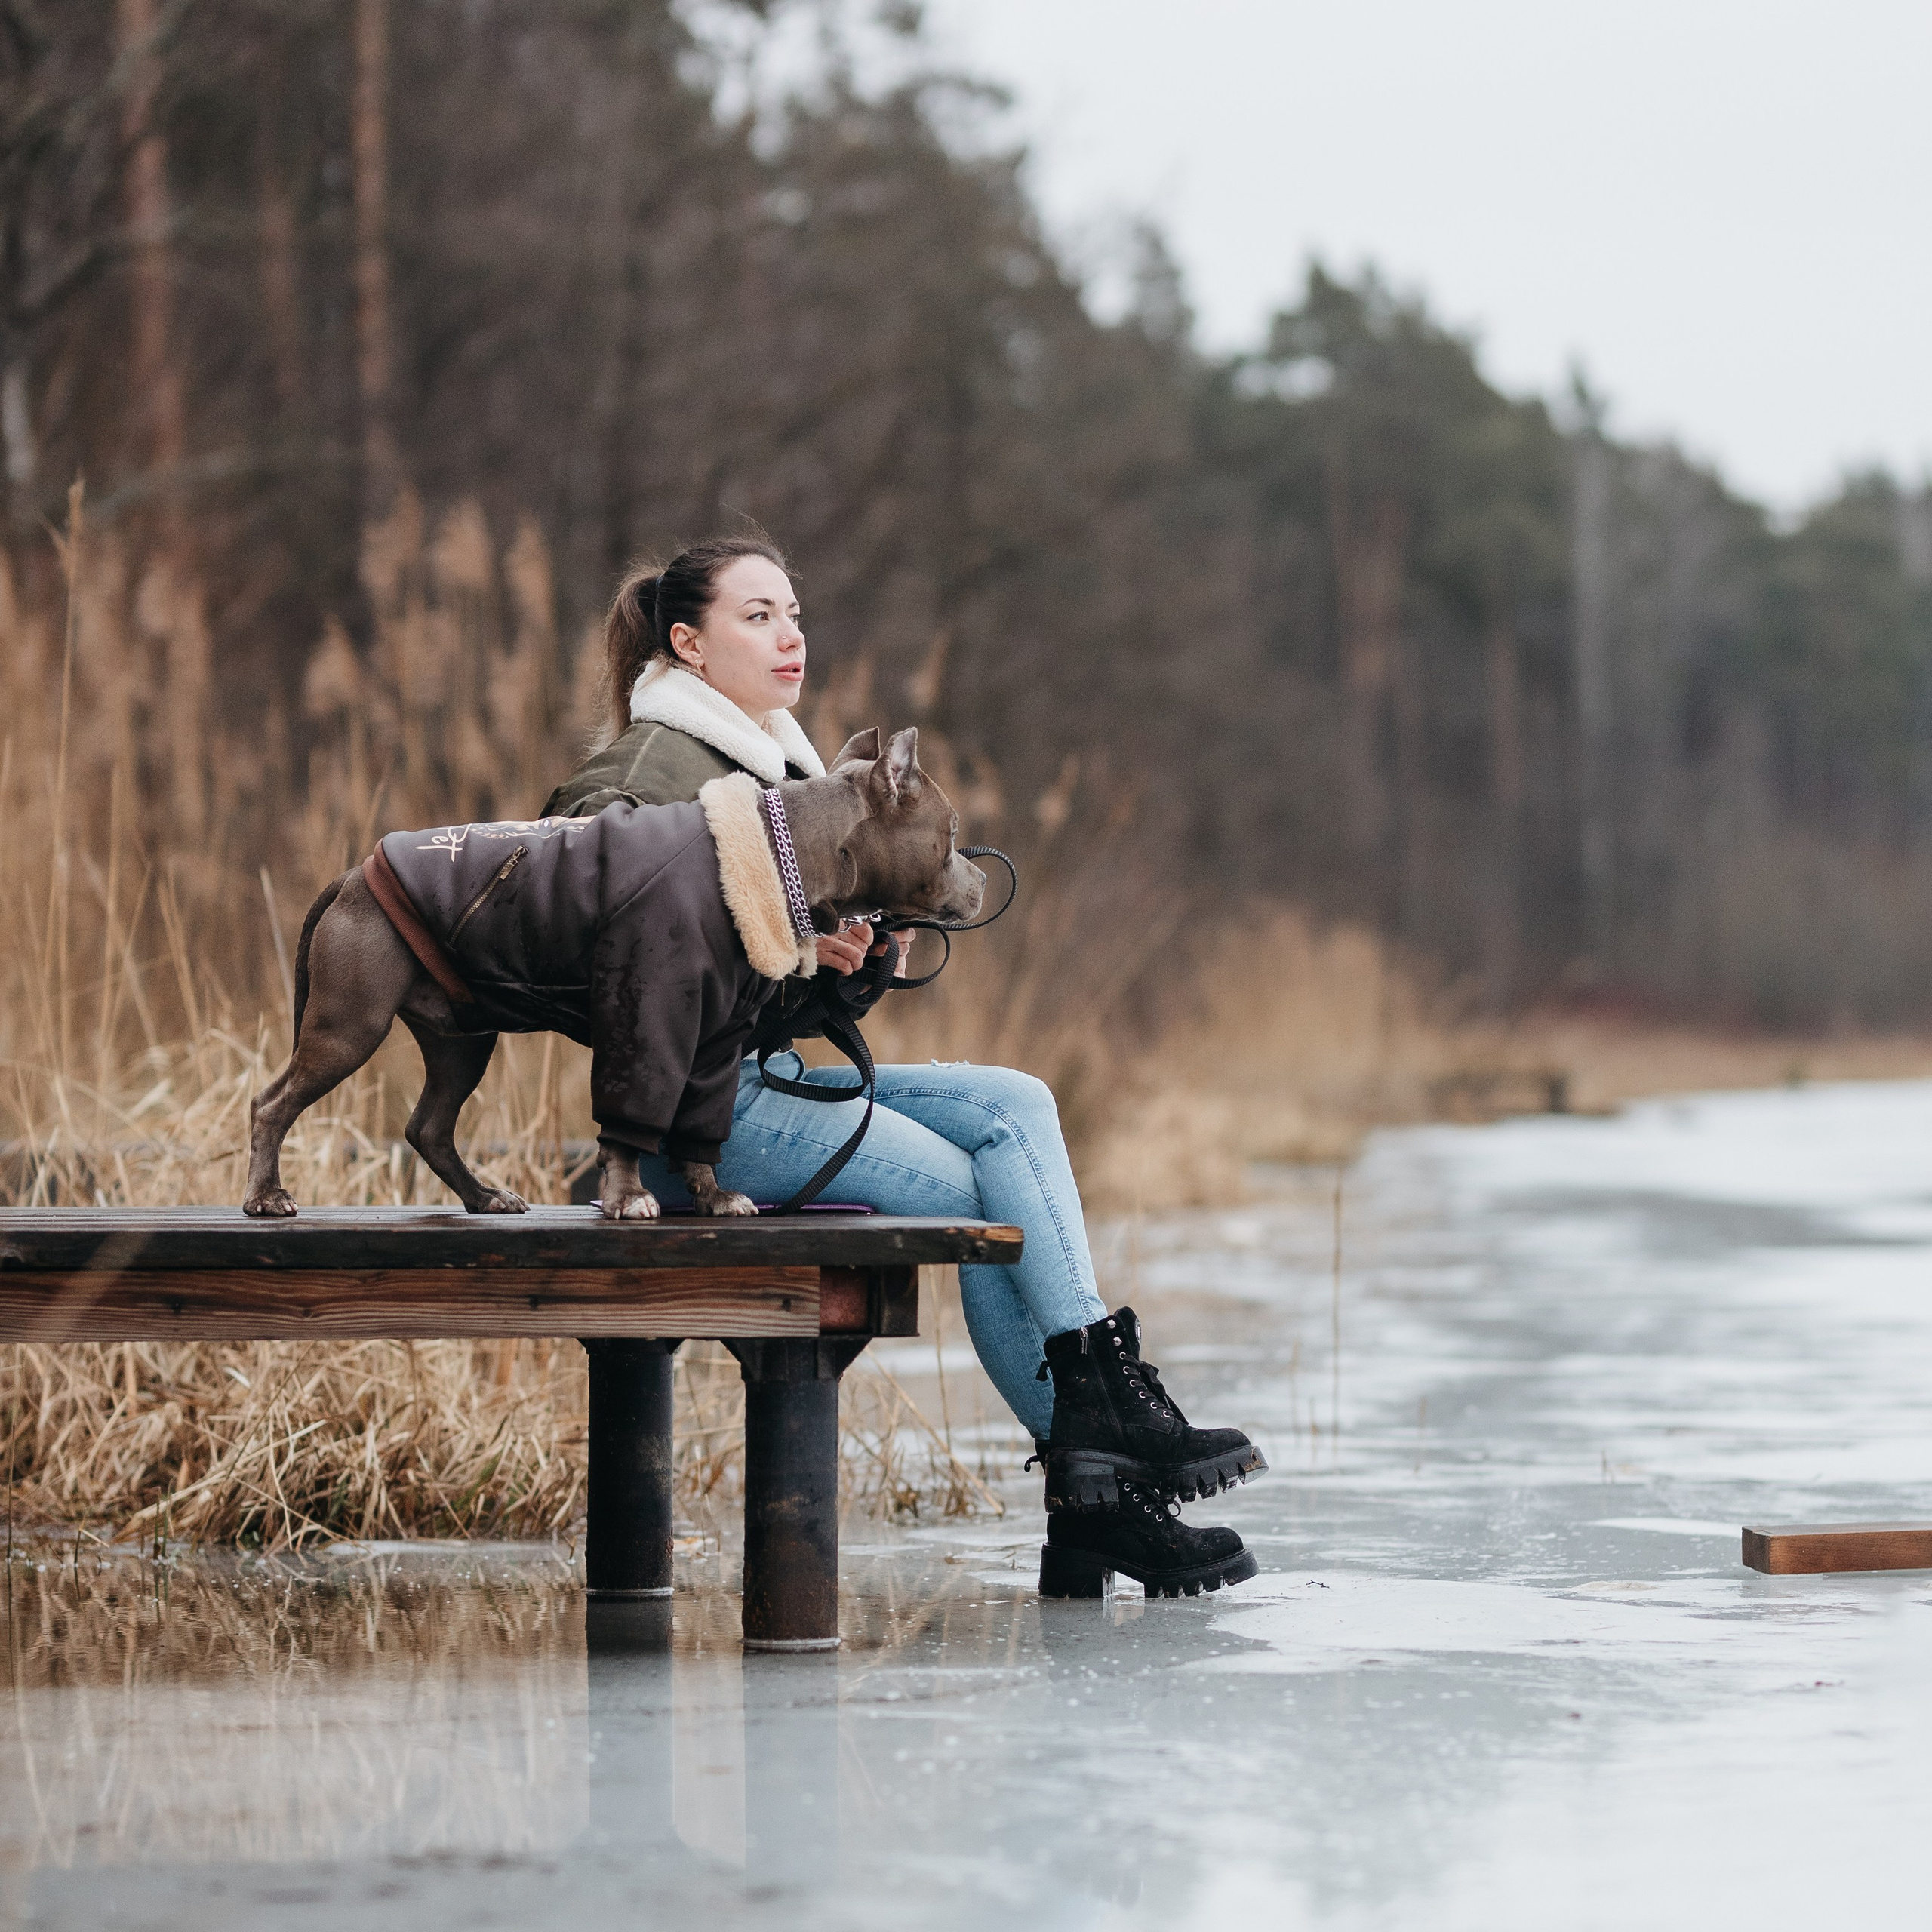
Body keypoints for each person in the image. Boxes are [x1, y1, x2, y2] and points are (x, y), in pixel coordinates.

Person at [541, 534, 1265, 1598]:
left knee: (1016, 1104)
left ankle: (1097, 1457)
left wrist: (851, 957)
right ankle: (1101, 1479)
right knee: (979, 1189)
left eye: (794, 612)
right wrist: (787, 936)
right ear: (687, 644)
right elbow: (593, 963)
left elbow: (769, 991)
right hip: (687, 1131)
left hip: (751, 1085)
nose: (790, 635)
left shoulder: (777, 769)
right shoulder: (643, 776)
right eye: (758, 616)